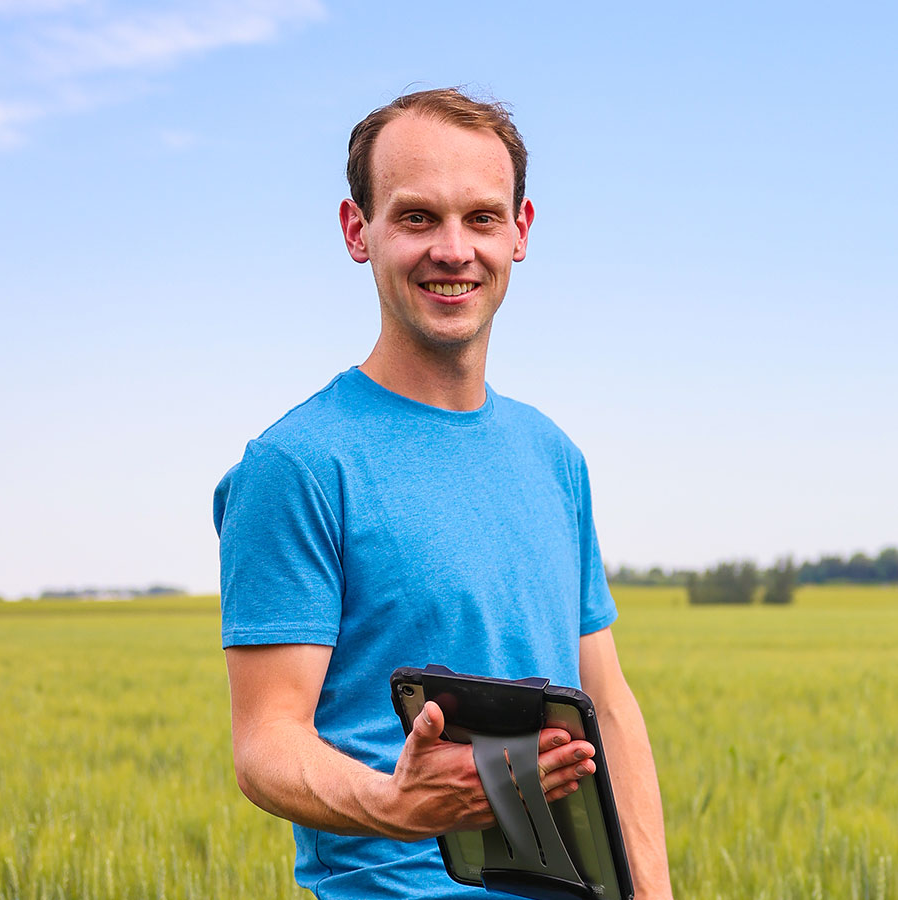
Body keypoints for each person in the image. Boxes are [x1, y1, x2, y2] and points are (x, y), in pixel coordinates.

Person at [214, 87, 674, 900]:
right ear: (360, 232)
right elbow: (265, 744)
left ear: (520, 232)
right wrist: (395, 803)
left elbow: (606, 699)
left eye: (482, 218)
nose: (453, 249)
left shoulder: (554, 457)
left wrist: (653, 891)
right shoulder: (297, 464)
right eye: (418, 218)